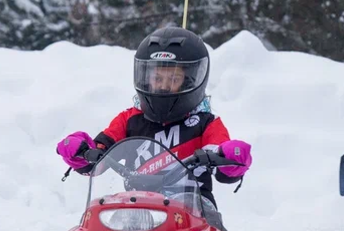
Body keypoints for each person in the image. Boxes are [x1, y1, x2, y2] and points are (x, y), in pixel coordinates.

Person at [55, 27, 252, 218]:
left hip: (194, 207)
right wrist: (80, 150)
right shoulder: (129, 119)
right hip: (138, 206)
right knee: (104, 229)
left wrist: (231, 157)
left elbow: (222, 160)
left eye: (173, 79)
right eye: (157, 78)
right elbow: (99, 154)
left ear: (190, 81)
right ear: (145, 78)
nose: (164, 86)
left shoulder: (206, 122)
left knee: (210, 230)